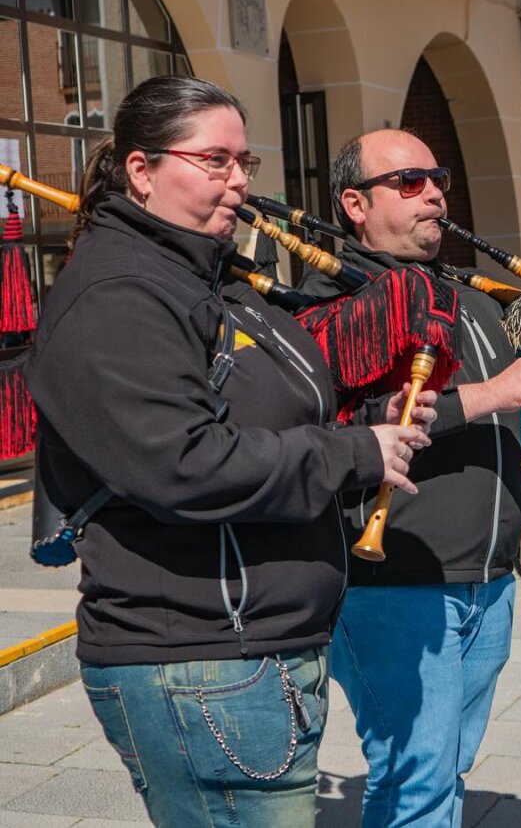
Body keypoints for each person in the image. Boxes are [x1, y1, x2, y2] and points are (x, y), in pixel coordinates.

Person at [24, 76, 430, 827]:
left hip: (249, 651)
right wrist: (351, 453)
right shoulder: (119, 294)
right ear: (142, 170)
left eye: (245, 162)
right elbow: (184, 465)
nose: (238, 181)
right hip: (201, 658)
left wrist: (373, 418)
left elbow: (264, 404)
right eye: (214, 160)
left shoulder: (207, 275)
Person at [298, 128, 521, 828]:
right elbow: (336, 427)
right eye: (408, 181)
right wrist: (494, 393)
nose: (435, 192)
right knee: (418, 778)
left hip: (489, 575)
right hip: (394, 581)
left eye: (437, 177)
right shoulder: (331, 303)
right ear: (354, 202)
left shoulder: (463, 294)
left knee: (443, 769)